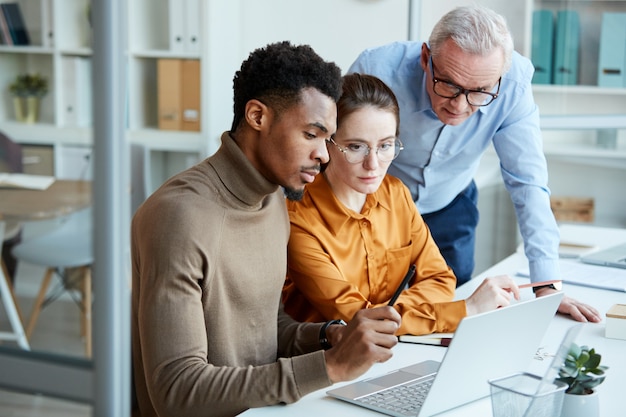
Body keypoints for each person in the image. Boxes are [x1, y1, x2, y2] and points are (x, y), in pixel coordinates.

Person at [131, 41, 401, 417]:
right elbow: (177, 391)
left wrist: (329, 336)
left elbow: (265, 330)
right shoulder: (179, 216)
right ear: (258, 116)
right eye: (312, 134)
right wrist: (331, 366)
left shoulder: (274, 198)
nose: (324, 155)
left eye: (328, 139)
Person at [347, 5, 600, 323]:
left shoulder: (514, 83)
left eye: (480, 92)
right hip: (373, 209)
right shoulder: (377, 69)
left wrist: (546, 284)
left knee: (454, 311)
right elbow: (338, 155)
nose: (459, 105)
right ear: (426, 58)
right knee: (369, 312)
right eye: (449, 84)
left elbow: (527, 180)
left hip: (450, 205)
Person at [283, 72, 521, 335]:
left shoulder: (396, 194)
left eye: (385, 146)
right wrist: (466, 310)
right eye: (356, 147)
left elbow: (440, 280)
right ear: (328, 143)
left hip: (398, 349)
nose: (373, 164)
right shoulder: (296, 219)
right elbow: (355, 319)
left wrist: (389, 313)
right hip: (324, 363)